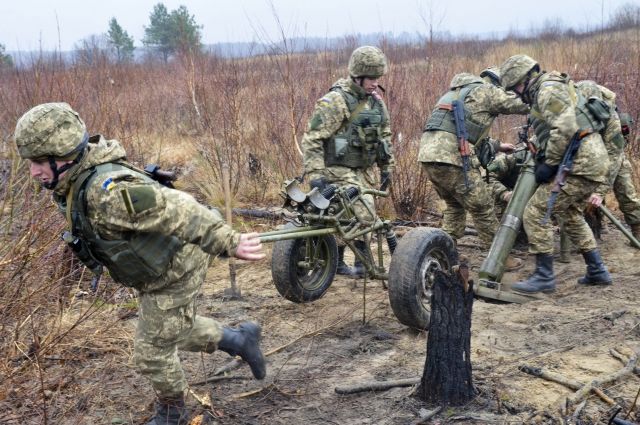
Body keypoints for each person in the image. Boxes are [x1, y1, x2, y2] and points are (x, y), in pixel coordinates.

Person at [14, 103, 267, 425]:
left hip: (176, 266)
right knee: (171, 329)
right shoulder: (73, 181)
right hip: (157, 269)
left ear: (62, 154)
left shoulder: (107, 193)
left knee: (150, 351)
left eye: (38, 163)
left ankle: (173, 411)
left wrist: (228, 242)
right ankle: (240, 340)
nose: (34, 172)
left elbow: (181, 208)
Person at [499, 54, 612, 294]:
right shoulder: (549, 88)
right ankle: (597, 269)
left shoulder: (547, 90)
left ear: (525, 79)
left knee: (534, 212)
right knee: (569, 213)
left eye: (516, 88)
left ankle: (544, 276)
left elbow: (565, 127)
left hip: (580, 162)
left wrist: (549, 164)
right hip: (589, 161)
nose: (518, 94)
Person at [301, 45, 395, 276]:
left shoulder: (375, 103)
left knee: (348, 215)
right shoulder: (335, 101)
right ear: (357, 75)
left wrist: (387, 168)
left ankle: (347, 262)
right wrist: (316, 176)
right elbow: (313, 138)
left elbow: (384, 136)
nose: (375, 83)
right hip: (336, 168)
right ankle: (356, 262)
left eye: (377, 78)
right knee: (364, 210)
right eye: (370, 78)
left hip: (362, 169)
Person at [418, 69, 529, 249]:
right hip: (452, 159)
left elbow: (462, 130)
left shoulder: (457, 92)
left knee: (454, 205)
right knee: (482, 205)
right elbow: (518, 104)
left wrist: (498, 146)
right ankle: (497, 258)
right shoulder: (486, 90)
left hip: (428, 157)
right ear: (498, 84)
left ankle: (445, 250)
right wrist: (543, 97)